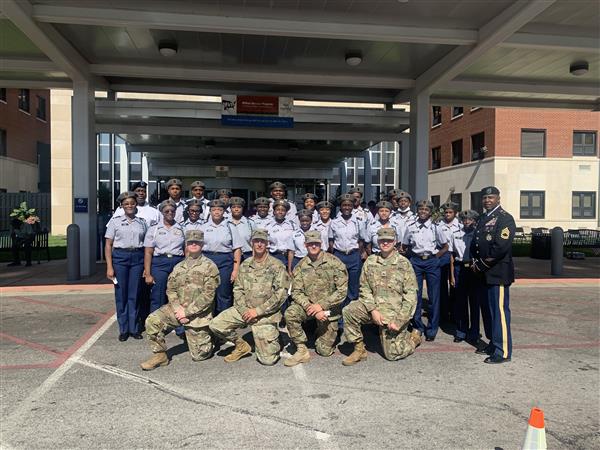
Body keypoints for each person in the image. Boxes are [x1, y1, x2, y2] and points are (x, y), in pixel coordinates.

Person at [140, 230, 220, 370]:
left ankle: (211, 336)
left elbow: (208, 296)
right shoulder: (178, 267)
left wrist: (186, 312)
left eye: (197, 242)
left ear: (202, 244)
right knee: (152, 321)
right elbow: (171, 290)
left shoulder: (210, 266)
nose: (193, 244)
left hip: (199, 314)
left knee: (200, 355)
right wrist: (178, 309)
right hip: (178, 310)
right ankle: (160, 355)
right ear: (186, 245)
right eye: (191, 242)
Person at [209, 229, 290, 365]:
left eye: (262, 241)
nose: (259, 244)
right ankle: (241, 346)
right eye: (256, 241)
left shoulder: (277, 265)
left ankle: (274, 337)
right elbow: (238, 289)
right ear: (252, 243)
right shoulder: (245, 264)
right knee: (216, 324)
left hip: (265, 314)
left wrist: (257, 311)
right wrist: (244, 310)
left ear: (267, 243)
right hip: (245, 310)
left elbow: (281, 295)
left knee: (268, 360)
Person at [342, 227, 419, 365]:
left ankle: (413, 338)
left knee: (393, 354)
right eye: (382, 240)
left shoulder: (404, 264)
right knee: (349, 310)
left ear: (394, 242)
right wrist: (373, 310)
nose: (385, 243)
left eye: (389, 240)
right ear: (378, 242)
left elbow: (411, 296)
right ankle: (359, 349)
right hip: (373, 309)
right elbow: (364, 288)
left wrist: (399, 321)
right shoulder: (371, 261)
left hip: (394, 314)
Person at [284, 231, 348, 367]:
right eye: (310, 244)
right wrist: (310, 306)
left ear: (321, 244)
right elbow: (296, 292)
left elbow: (342, 291)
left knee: (324, 351)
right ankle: (302, 349)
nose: (313, 246)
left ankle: (321, 331)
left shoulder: (335, 263)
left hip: (329, 310)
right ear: (305, 245)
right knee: (291, 313)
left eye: (316, 243)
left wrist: (321, 306)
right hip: (308, 308)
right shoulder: (300, 266)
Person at [470, 186, 516, 364]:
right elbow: (476, 243)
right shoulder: (483, 218)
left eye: (491, 197)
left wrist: (481, 264)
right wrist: (475, 262)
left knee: (499, 312)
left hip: (497, 273)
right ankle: (493, 343)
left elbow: (500, 247)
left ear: (498, 199)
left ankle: (502, 351)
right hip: (483, 273)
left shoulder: (505, 218)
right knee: (488, 311)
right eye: (485, 198)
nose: (487, 200)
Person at [401, 200, 449, 343]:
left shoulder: (436, 226)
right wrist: (411, 257)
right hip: (416, 261)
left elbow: (445, 246)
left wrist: (436, 258)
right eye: (420, 209)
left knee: (434, 296)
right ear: (417, 210)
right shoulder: (411, 226)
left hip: (431, 261)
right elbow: (404, 245)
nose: (423, 211)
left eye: (426, 209)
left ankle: (432, 329)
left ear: (430, 212)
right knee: (415, 295)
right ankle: (417, 326)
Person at [104, 191, 148, 341]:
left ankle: (134, 328)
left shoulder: (142, 222)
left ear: (136, 205)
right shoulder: (115, 222)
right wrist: (109, 266)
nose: (129, 206)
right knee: (121, 294)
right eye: (126, 204)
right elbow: (108, 245)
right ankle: (123, 329)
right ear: (122, 206)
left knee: (134, 294)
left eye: (132, 203)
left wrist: (146, 267)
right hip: (120, 258)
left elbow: (147, 244)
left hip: (137, 257)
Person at [200, 199, 243, 315]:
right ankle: (206, 319)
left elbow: (237, 249)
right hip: (207, 260)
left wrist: (235, 270)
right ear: (210, 211)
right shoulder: (203, 227)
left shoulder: (230, 226)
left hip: (225, 262)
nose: (217, 212)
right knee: (206, 292)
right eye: (214, 210)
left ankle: (223, 320)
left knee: (224, 293)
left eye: (219, 209)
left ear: (224, 212)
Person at [143, 200, 185, 317]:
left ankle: (178, 324)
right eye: (167, 211)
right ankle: (155, 323)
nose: (170, 213)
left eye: (172, 211)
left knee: (179, 295)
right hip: (160, 263)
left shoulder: (182, 228)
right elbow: (148, 252)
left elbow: (186, 249)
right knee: (158, 295)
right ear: (162, 212)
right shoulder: (154, 229)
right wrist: (148, 274)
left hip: (178, 262)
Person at [452, 210, 487, 347]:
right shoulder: (456, 234)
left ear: (474, 221)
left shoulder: (478, 234)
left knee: (474, 302)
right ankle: (461, 331)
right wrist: (451, 274)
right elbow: (452, 254)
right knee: (460, 302)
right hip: (459, 267)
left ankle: (474, 333)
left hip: (473, 268)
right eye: (464, 219)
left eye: (470, 219)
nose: (467, 222)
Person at [329, 193, 367, 312]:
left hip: (353, 255)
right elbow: (331, 240)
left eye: (349, 205)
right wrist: (333, 255)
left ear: (352, 207)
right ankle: (338, 312)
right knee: (338, 284)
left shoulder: (358, 222)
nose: (347, 207)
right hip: (339, 255)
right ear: (340, 207)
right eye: (344, 205)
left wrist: (359, 253)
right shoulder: (334, 222)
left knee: (353, 285)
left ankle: (351, 312)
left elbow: (361, 239)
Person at [437, 201, 462, 325]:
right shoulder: (438, 224)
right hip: (442, 256)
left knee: (454, 285)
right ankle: (444, 313)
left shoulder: (460, 225)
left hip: (454, 257)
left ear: (455, 213)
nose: (447, 214)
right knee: (442, 285)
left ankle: (454, 313)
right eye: (446, 212)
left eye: (450, 212)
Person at [265, 199, 296, 274]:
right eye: (278, 210)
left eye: (283, 210)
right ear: (274, 212)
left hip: (289, 257)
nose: (280, 212)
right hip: (274, 256)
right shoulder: (268, 226)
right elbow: (266, 245)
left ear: (286, 212)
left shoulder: (292, 225)